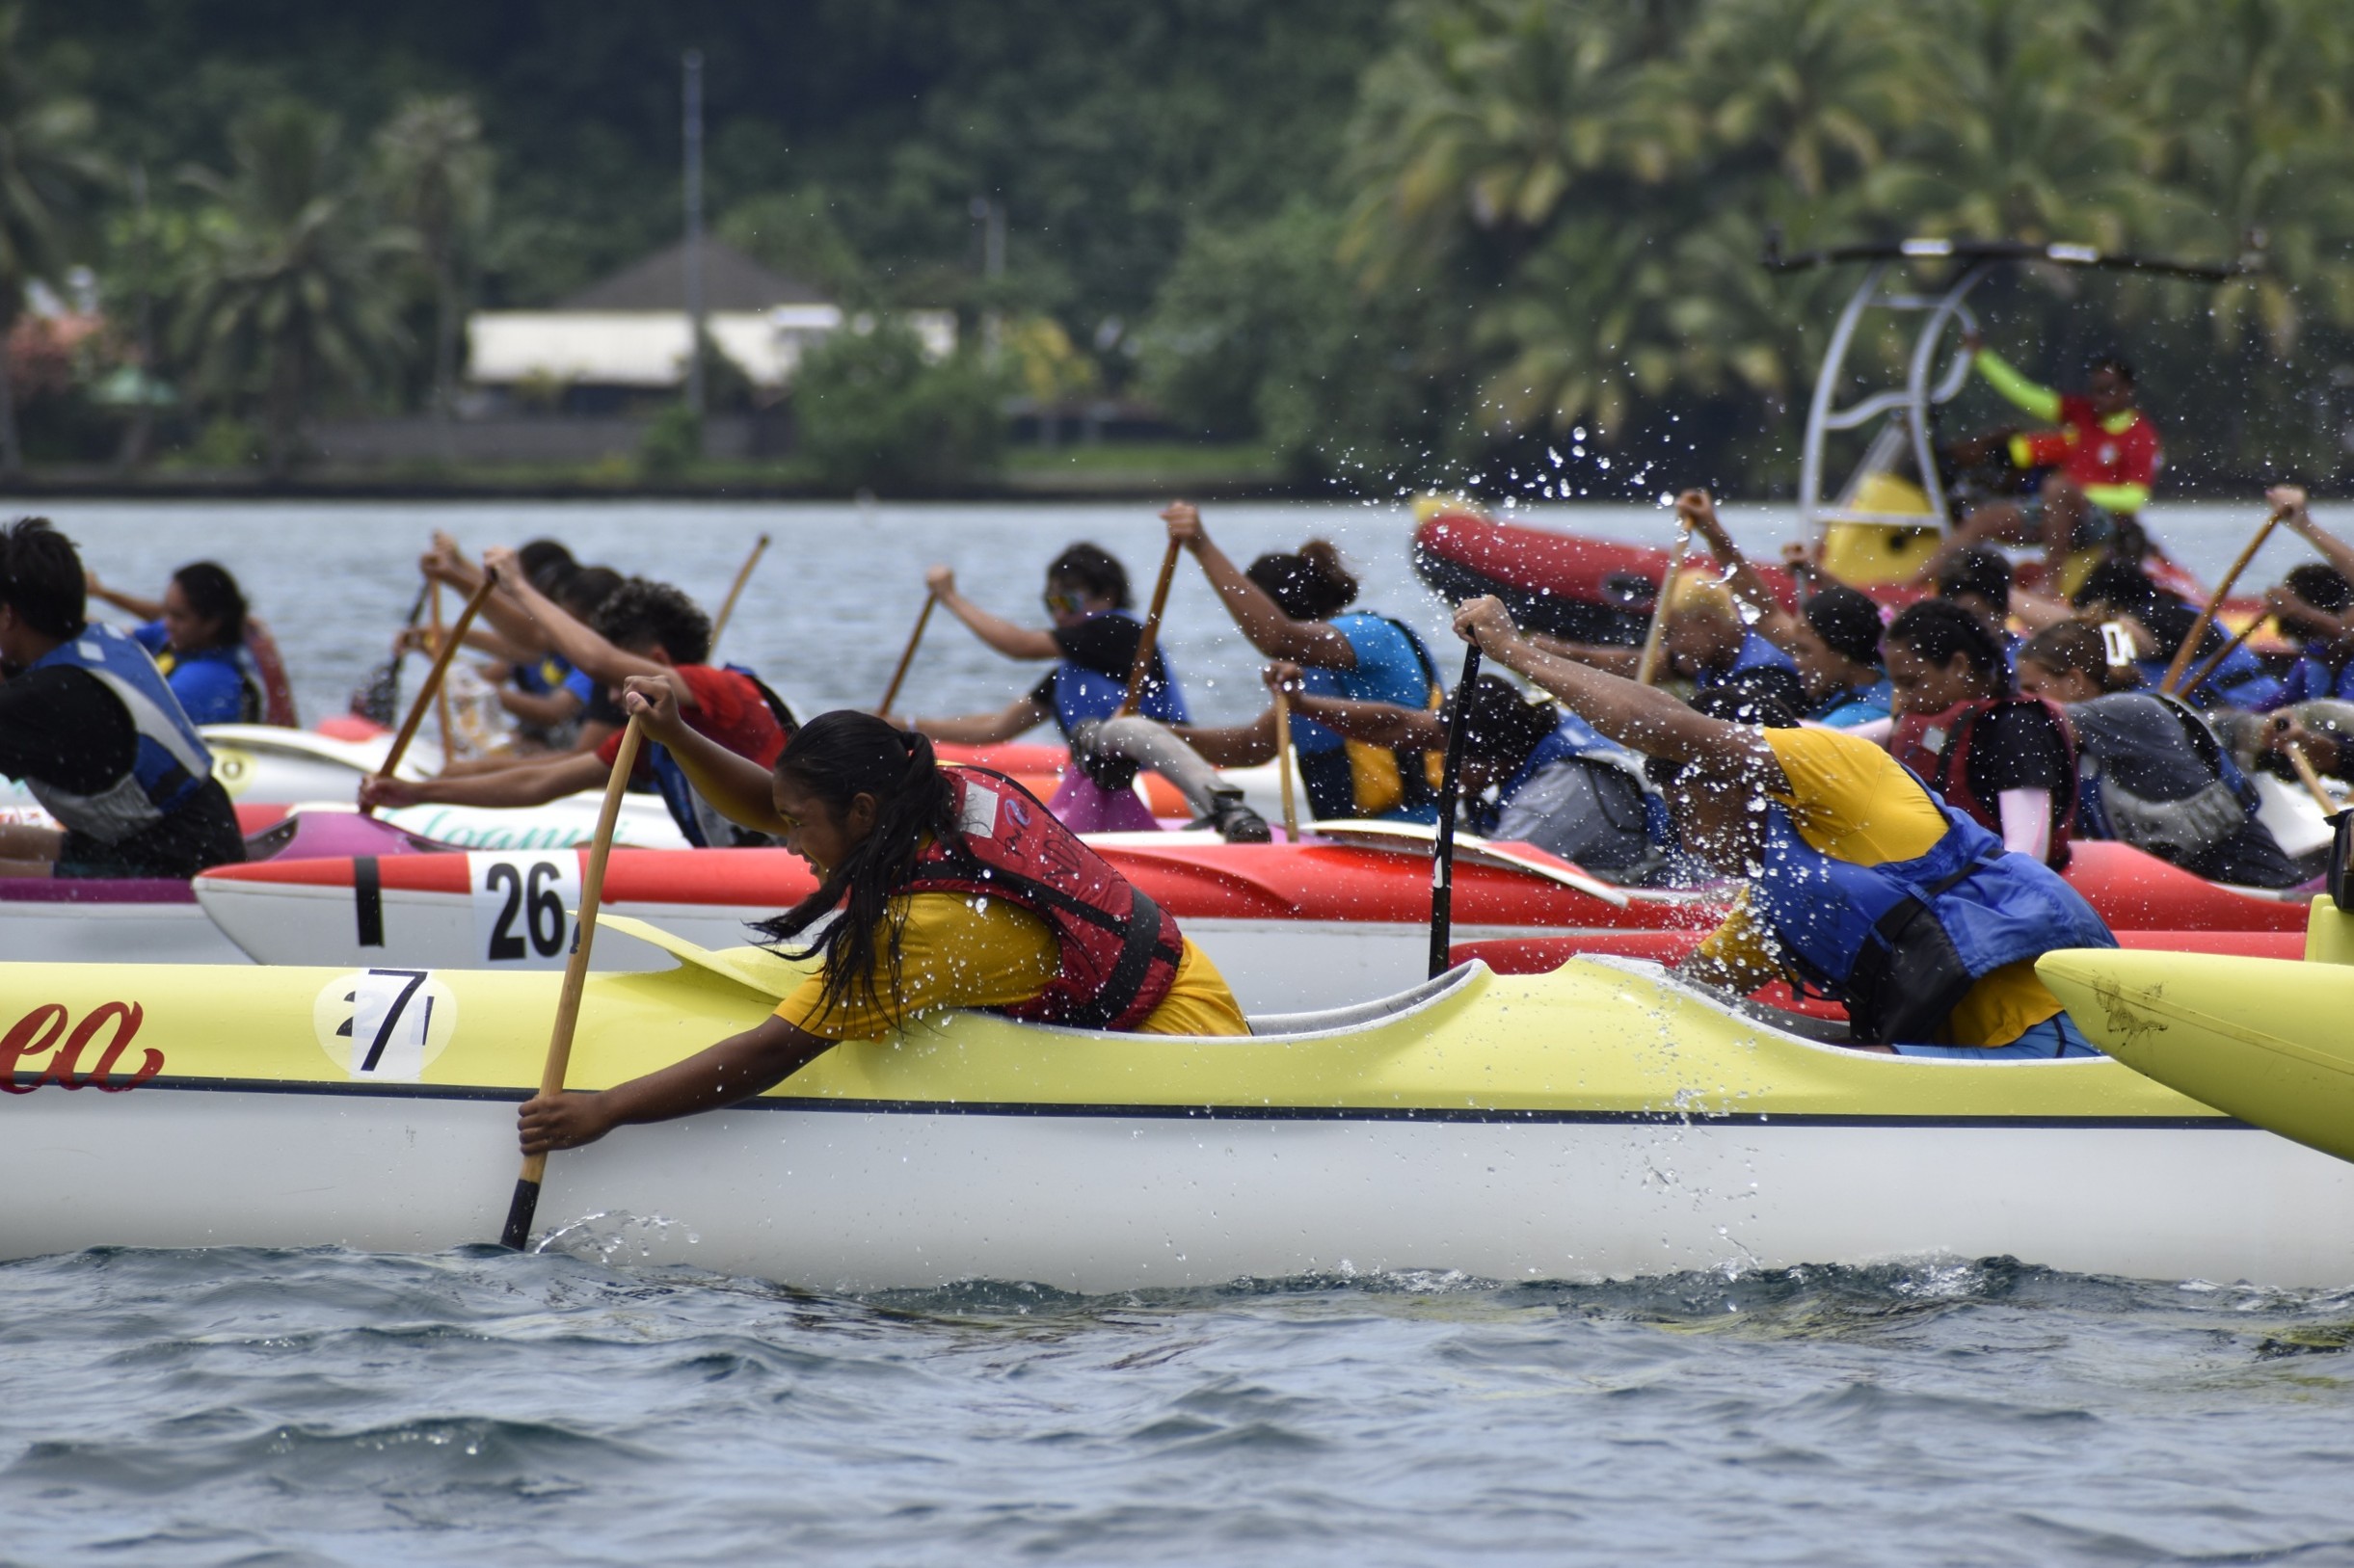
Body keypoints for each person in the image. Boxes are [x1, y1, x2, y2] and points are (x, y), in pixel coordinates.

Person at [516, 705, 1249, 1156]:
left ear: (863, 812)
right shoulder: (936, 783)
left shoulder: (921, 927)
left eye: (800, 826)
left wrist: (604, 1110)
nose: (789, 842)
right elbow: (771, 803)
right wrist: (676, 735)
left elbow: (774, 1052)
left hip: (1176, 1056)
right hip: (1183, 983)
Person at [1450, 593, 2117, 1057]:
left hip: (2060, 1041)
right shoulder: (1776, 902)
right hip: (1967, 1056)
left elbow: (1665, 724)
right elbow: (1687, 998)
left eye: (1685, 806)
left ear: (1725, 781)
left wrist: (1515, 650)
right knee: (1734, 1034)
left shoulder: (1840, 770)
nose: (1686, 832)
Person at [360, 557, 792, 846]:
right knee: (588, 852)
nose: (611, 696)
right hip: (736, 870)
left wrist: (516, 585)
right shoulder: (650, 737)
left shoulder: (719, 688)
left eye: (616, 682)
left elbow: (597, 660)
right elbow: (538, 784)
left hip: (789, 861)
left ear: (658, 662)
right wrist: (418, 793)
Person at [901, 543, 1256, 837]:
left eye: (1067, 601)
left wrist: (950, 597)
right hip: (1098, 787)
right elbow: (996, 727)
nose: (1058, 615)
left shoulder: (1119, 632)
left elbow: (1019, 646)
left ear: (1107, 596)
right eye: (1050, 604)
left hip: (1164, 777)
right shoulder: (1069, 673)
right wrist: (908, 725)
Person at [1161, 501, 1446, 822]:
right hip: (1348, 836)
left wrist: (1201, 545)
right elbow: (1250, 746)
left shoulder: (1373, 635)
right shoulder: (1305, 675)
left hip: (1415, 829)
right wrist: (1154, 735)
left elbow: (1276, 636)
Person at [0, 518, 246, 879]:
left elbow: (23, 701)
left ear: (8, 616)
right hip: (199, 833)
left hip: (178, 865)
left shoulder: (44, 700)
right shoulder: (98, 640)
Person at [1263, 663, 1669, 880]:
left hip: (1639, 893)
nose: (1444, 767)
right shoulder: (1517, 730)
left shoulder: (1562, 788)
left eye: (1456, 759)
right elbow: (1400, 726)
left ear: (1496, 759)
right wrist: (1302, 704)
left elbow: (1498, 877)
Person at [2016, 622, 2301, 887]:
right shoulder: (2076, 743)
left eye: (2032, 689)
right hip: (2181, 884)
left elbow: (2026, 727)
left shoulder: (2129, 710)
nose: (2023, 701)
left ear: (2074, 681)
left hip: (2243, 871)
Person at [1926, 337, 2161, 582]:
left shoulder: (2141, 435)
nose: (2099, 399)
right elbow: (2024, 394)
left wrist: (2077, 493)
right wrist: (1983, 357)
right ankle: (1919, 582)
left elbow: (2134, 498)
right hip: (2054, 506)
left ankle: (2050, 584)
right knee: (1984, 519)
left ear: (2128, 391)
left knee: (2058, 489)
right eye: (2095, 391)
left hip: (2101, 521)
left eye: (2108, 390)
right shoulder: (2081, 412)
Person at [1881, 599, 2076, 867]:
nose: (1902, 700)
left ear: (1959, 665)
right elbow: (1841, 742)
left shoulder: (2016, 728)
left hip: (2003, 884)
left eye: (1911, 683)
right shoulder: (1928, 721)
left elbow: (2027, 857)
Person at [1678, 490, 1889, 726]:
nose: (1795, 661)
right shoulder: (1869, 665)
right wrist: (1713, 533)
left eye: (1804, 651)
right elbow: (1765, 614)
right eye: (1796, 649)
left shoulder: (1854, 719)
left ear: (1842, 654)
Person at [87, 560, 290, 725]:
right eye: (167, 613)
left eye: (178, 616)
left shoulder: (206, 679)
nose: (166, 624)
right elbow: (111, 636)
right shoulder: (185, 637)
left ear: (212, 623)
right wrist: (98, 594)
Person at [2071, 559, 2283, 711]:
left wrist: (2099, 641)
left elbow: (2126, 636)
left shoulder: (2165, 617)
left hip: (2247, 712)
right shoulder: (2175, 612)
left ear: (2105, 607)